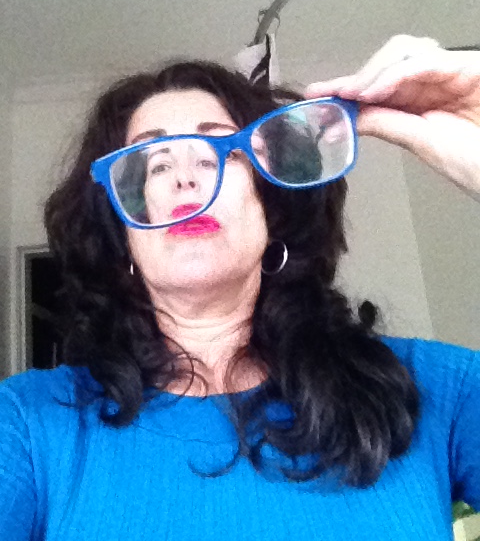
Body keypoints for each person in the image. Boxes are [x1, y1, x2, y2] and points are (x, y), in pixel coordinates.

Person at [0, 34, 479, 540]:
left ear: (272, 207)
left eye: (220, 154)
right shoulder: (27, 424)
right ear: (124, 237)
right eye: (153, 162)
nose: (185, 177)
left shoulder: (433, 390)